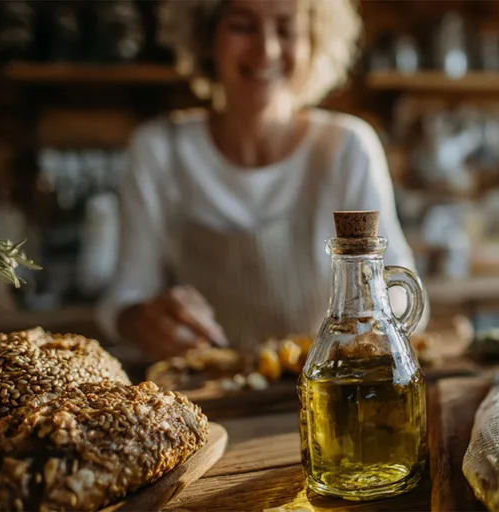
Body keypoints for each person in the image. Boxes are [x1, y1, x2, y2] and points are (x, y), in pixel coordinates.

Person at [98, 0, 418, 360]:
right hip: (200, 402)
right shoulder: (158, 150)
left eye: (285, 29)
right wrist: (145, 320)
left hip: (327, 398)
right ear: (206, 37)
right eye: (242, 26)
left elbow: (401, 296)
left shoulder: (347, 148)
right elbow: (123, 301)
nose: (265, 49)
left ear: (313, 42)